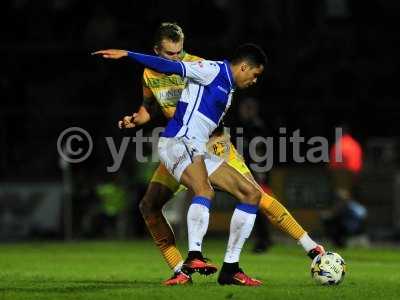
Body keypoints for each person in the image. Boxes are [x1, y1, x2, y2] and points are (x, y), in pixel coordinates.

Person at [93, 23, 324, 286]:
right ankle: (184, 266)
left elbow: (186, 76)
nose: (176, 57)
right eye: (169, 53)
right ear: (157, 50)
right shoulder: (153, 74)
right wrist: (137, 117)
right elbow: (150, 107)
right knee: (155, 204)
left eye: (180, 51)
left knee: (253, 194)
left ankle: (303, 249)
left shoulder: (201, 66)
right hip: (180, 143)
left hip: (212, 145)